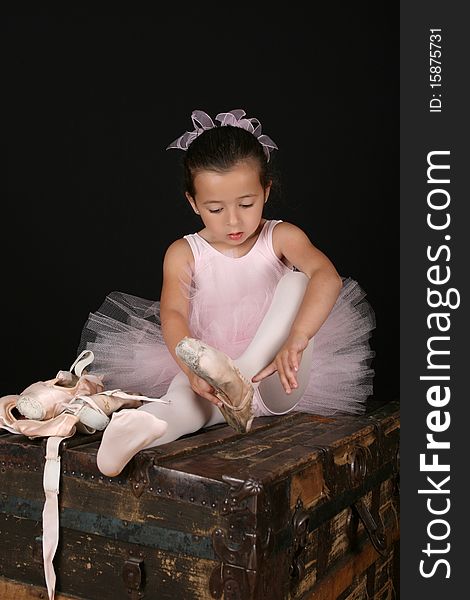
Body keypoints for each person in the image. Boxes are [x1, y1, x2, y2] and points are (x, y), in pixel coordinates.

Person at [78, 109, 375, 477]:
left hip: (280, 374)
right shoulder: (184, 252)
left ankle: (239, 381)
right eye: (215, 209)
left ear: (266, 191)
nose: (233, 221)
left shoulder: (281, 237)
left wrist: (297, 338)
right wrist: (190, 368)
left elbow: (327, 277)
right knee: (185, 403)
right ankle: (141, 427)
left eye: (246, 204)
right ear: (193, 202)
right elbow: (172, 315)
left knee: (298, 281)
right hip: (217, 372)